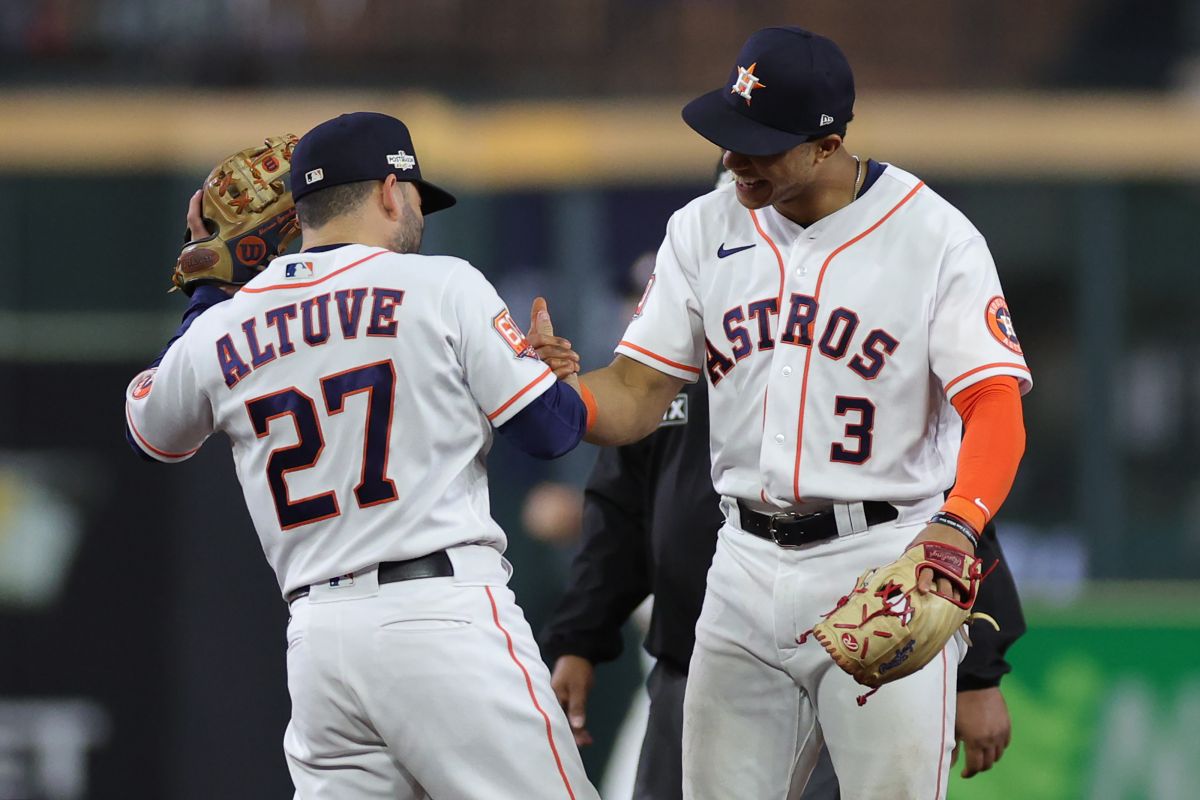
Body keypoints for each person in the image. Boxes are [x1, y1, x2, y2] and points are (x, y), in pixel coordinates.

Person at [531, 26, 1031, 799]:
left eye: (760, 145)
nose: (735, 159)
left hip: (879, 556)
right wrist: (561, 394)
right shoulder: (702, 228)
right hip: (742, 564)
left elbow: (993, 402)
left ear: (827, 145)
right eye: (730, 137)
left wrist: (959, 523)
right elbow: (634, 396)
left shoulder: (936, 239)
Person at [124, 112, 599, 800]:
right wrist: (543, 375)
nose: (418, 215)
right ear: (387, 190)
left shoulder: (221, 327)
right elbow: (551, 433)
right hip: (441, 618)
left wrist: (208, 285)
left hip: (319, 646)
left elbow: (152, 432)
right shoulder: (443, 285)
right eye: (413, 196)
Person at [541, 378, 1026, 800]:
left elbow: (943, 504)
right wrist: (578, 639)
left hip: (840, 659)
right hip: (689, 664)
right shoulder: (658, 376)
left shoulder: (841, 344)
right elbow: (617, 515)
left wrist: (978, 673)